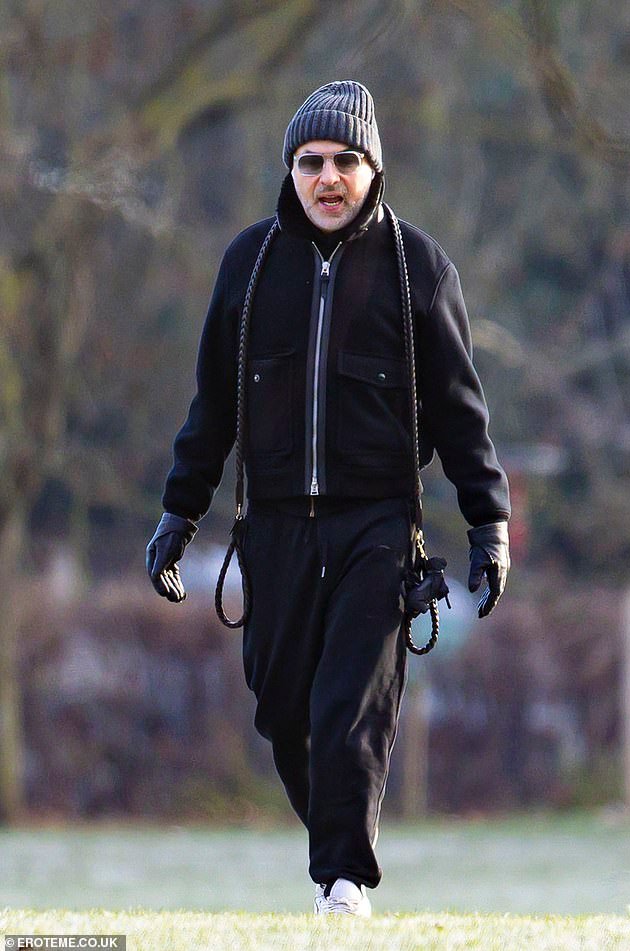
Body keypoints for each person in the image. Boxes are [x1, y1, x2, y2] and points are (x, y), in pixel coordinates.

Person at [146, 80, 511, 916]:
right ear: (291, 170)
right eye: (311, 161)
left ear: (373, 167)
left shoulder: (420, 268)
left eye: (346, 160)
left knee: (350, 703)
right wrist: (179, 511)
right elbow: (212, 407)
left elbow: (462, 411)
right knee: (284, 710)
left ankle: (344, 883)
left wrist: (489, 523)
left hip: (377, 526)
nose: (328, 177)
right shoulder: (248, 265)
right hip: (272, 525)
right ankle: (336, 849)